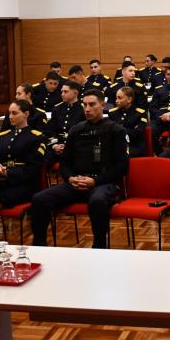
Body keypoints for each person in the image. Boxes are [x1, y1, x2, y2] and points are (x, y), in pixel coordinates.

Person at [29, 89, 129, 248]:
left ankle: (99, 247)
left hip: (103, 183)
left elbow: (122, 166)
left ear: (102, 105)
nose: (87, 109)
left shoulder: (116, 130)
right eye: (85, 105)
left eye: (92, 104)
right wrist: (70, 178)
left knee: (97, 201)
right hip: (76, 182)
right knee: (39, 199)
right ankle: (39, 246)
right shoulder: (76, 130)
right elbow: (65, 163)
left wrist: (95, 181)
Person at [0, 100, 47, 230]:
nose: (10, 117)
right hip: (0, 179)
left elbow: (33, 168)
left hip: (23, 183)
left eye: (14, 113)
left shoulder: (36, 137)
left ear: (26, 114)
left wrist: (8, 172)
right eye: (9, 114)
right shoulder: (3, 135)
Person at [107, 86, 148, 156]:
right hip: (116, 144)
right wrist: (129, 130)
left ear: (129, 99)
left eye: (120, 98)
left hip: (134, 145)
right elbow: (109, 132)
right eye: (116, 98)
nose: (116, 101)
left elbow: (137, 133)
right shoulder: (112, 113)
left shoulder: (140, 113)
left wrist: (118, 130)